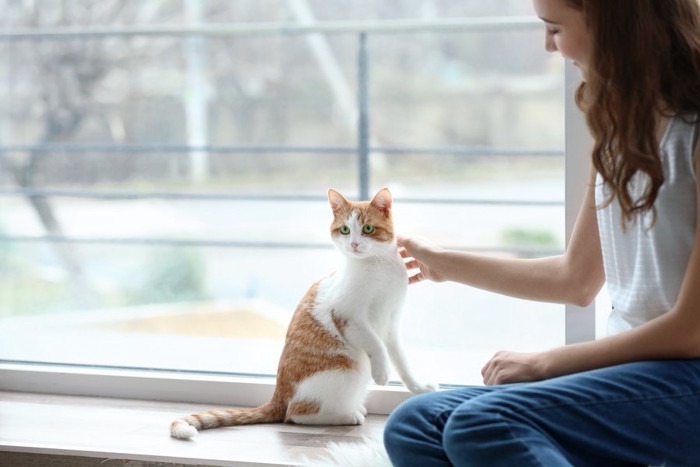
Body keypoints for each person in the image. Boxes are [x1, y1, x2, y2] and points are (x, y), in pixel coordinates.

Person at [383, 0, 700, 465]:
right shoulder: (618, 131)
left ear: (615, 25)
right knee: (416, 425)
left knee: (484, 423)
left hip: (686, 378)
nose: (549, 45)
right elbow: (575, 279)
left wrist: (546, 363)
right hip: (636, 376)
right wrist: (443, 263)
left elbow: (691, 331)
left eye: (554, 28)